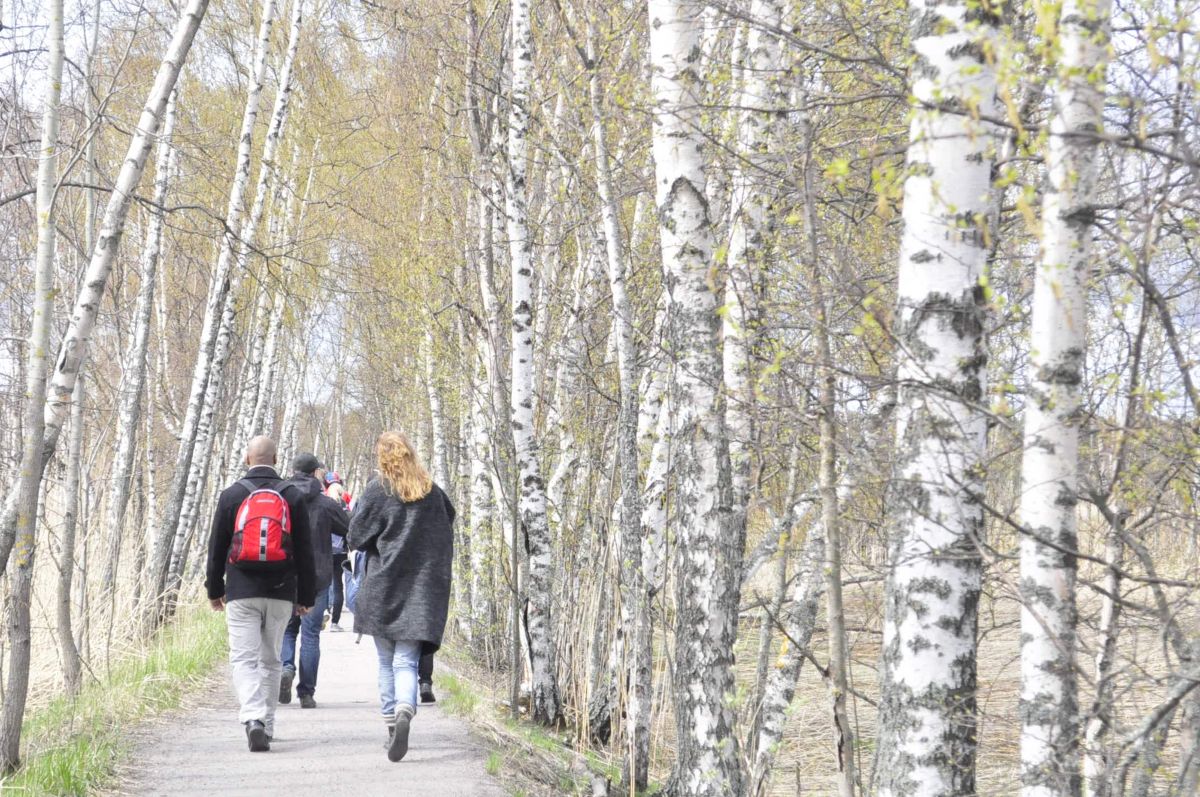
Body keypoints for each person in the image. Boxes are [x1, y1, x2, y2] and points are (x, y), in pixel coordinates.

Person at [348, 431, 455, 762]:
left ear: (382, 457)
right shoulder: (433, 493)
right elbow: (449, 521)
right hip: (422, 589)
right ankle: (406, 707)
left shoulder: (379, 490)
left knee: (386, 662)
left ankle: (393, 726)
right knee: (406, 661)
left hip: (383, 586)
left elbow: (355, 536)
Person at [205, 435, 316, 752]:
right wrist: (306, 596)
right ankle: (266, 725)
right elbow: (305, 551)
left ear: (246, 459)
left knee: (244, 658)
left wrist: (215, 590)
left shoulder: (232, 495)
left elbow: (216, 548)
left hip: (241, 590)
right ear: (276, 459)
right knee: (271, 660)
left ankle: (252, 718)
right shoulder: (292, 496)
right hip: (281, 591)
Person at [278, 453, 349, 709]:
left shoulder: (280, 498)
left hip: (285, 574)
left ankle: (286, 668)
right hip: (317, 576)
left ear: (293, 470)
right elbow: (348, 528)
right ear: (315, 472)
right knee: (310, 635)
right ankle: (306, 693)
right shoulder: (325, 503)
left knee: (287, 630)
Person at [324, 471, 350, 631]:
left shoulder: (323, 504)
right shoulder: (345, 507)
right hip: (340, 551)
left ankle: (324, 612)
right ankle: (335, 622)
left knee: (324, 584)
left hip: (325, 550)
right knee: (338, 585)